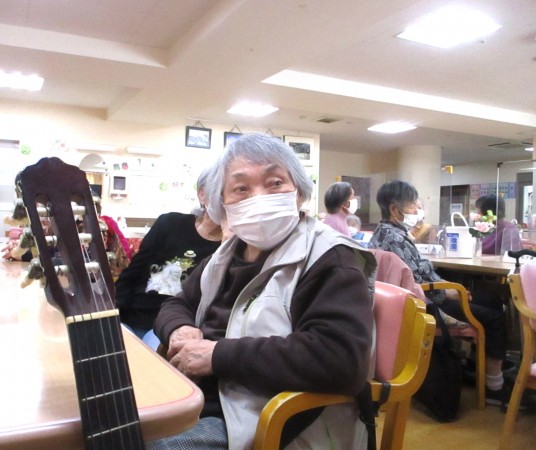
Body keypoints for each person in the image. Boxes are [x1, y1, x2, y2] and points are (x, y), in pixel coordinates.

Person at [148, 133, 376, 450]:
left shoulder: (329, 258)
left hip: (268, 417)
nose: (259, 198)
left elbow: (341, 360)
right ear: (222, 204)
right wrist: (180, 329)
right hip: (203, 394)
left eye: (275, 182)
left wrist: (216, 355)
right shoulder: (225, 255)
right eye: (241, 188)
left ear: (298, 193)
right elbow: (177, 303)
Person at [368, 180, 510, 407]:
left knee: (491, 300)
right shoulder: (395, 238)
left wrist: (448, 287)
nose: (418, 210)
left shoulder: (385, 233)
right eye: (413, 206)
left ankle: (478, 369)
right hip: (426, 303)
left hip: (423, 295)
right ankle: (494, 387)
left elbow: (415, 275)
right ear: (394, 209)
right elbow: (415, 284)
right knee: (495, 319)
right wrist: (448, 292)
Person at [115, 168, 224, 338]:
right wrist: (113, 312)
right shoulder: (170, 223)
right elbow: (133, 272)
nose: (224, 201)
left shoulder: (231, 244)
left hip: (173, 326)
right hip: (131, 315)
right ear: (202, 194)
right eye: (219, 191)